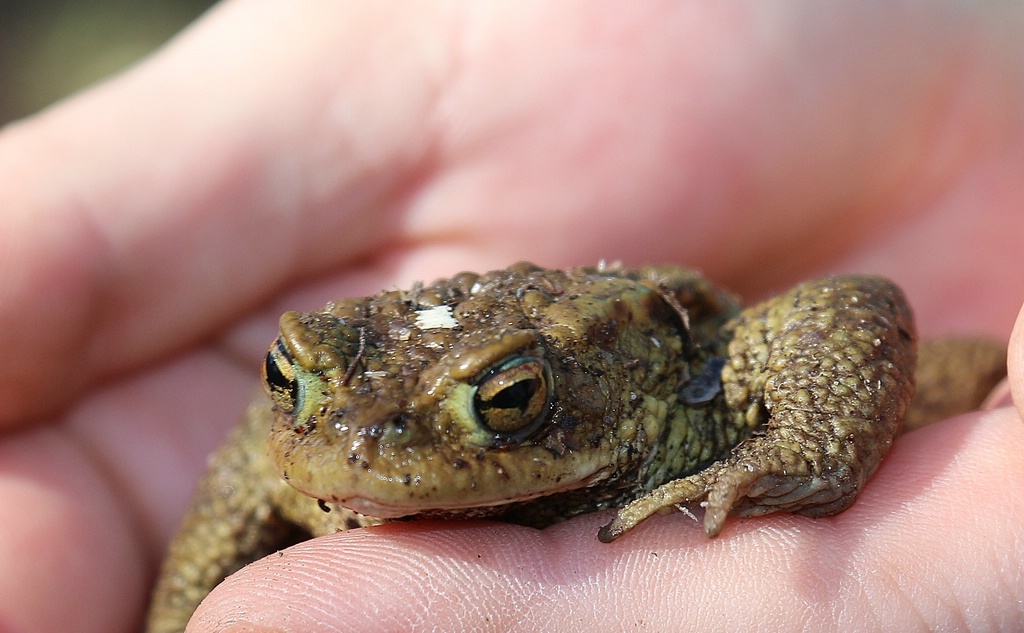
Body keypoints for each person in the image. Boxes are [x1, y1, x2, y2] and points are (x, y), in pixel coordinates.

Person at [1, 4, 1022, 631]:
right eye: (291, 385)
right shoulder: (317, 444)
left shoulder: (680, 391)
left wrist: (806, 449)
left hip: (667, 341)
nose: (356, 448)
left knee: (970, 387)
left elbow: (845, 306)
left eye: (503, 402)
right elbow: (251, 458)